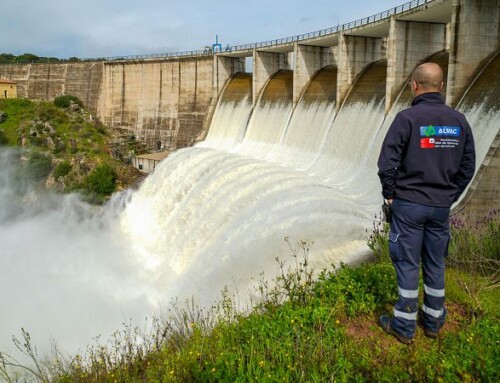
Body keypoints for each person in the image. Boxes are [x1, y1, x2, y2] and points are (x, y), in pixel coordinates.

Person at [376, 62, 476, 344]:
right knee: (435, 262)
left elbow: (387, 164)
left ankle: (404, 328)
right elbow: (468, 166)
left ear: (414, 85)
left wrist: (390, 193)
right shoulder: (459, 121)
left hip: (408, 205)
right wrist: (449, 196)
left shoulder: (407, 119)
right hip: (440, 207)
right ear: (441, 86)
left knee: (408, 265)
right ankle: (433, 322)